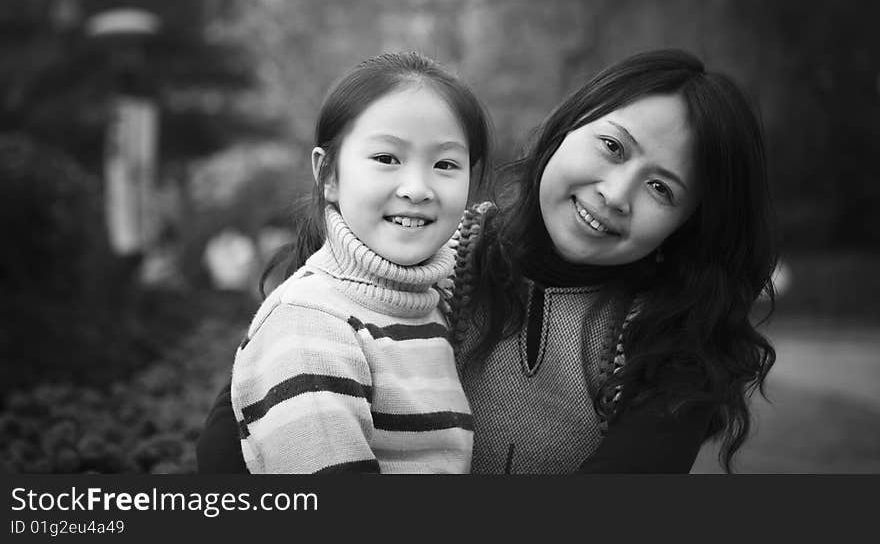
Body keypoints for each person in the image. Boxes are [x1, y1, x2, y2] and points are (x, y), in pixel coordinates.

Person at [198, 49, 776, 474]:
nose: (616, 192)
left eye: (662, 189)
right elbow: (242, 430)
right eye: (613, 147)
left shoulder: (674, 344)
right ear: (566, 128)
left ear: (688, 223)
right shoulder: (418, 256)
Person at [209, 51, 490, 473]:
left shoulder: (435, 303)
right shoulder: (311, 323)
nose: (417, 188)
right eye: (386, 159)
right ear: (330, 176)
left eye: (445, 164)